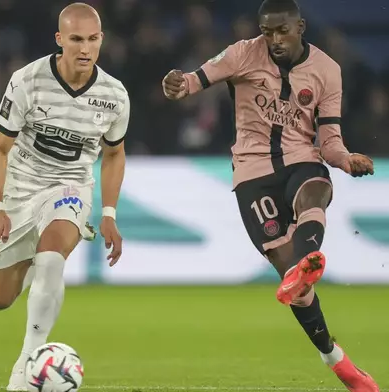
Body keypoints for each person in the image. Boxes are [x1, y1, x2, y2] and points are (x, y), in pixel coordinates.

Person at [162, 0, 378, 391]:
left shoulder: (328, 70)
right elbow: (195, 79)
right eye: (267, 31)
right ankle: (335, 357)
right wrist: (178, 85)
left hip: (300, 159)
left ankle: (307, 260)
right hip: (251, 171)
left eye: (282, 31)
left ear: (301, 26)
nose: (274, 40)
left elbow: (329, 141)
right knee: (294, 283)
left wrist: (345, 160)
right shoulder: (242, 54)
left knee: (316, 187)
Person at [0, 2, 129, 391]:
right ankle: (32, 256)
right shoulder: (28, 81)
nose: (85, 48)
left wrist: (109, 213)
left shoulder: (114, 95)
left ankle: (26, 366)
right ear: (60, 39)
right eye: (76, 39)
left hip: (70, 187)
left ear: (102, 40)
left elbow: (114, 154)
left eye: (93, 39)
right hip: (21, 187)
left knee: (51, 261)